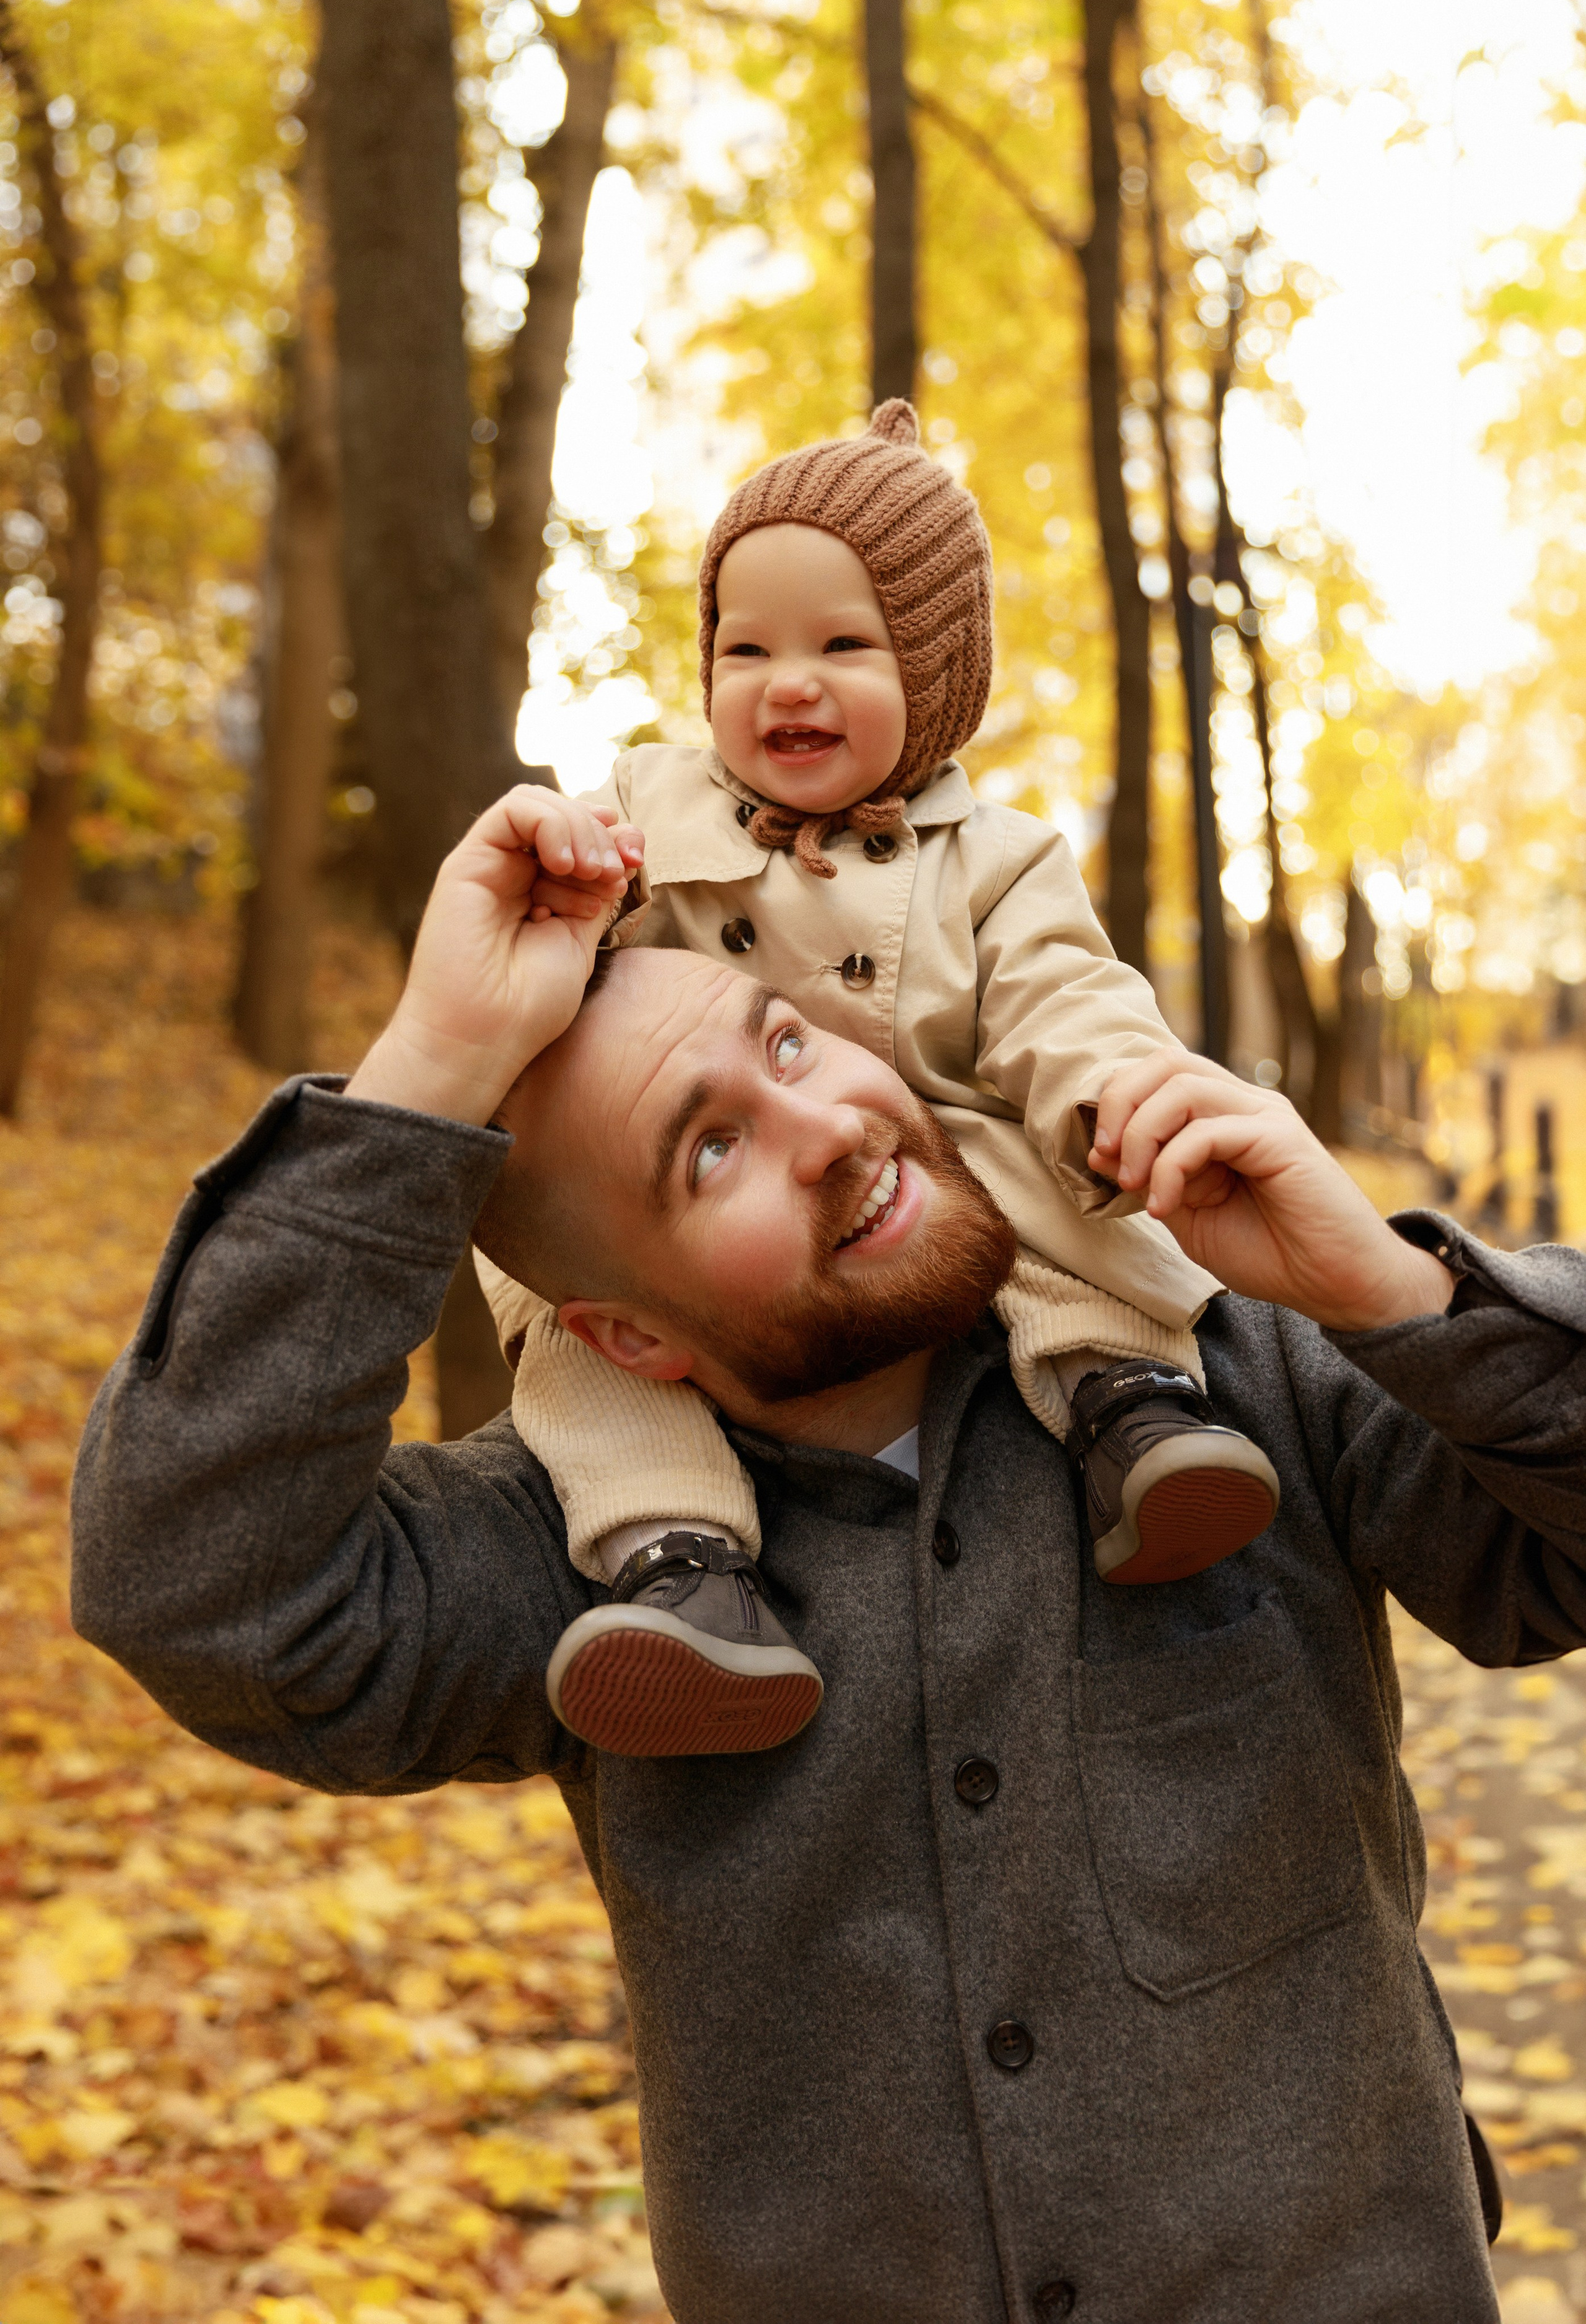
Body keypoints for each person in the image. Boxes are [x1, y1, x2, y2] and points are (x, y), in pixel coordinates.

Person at [73, 786, 1586, 2323]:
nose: (826, 1129)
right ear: (623, 1334)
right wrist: (429, 1067)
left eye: (783, 1042)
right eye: (709, 1149)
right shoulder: (587, 1556)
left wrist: (1389, 1290)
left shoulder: (1218, 1358)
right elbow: (198, 1581)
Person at [487, 398, 1279, 1758]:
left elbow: (1061, 996)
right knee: (576, 1317)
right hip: (702, 1227)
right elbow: (566, 980)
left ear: (936, 669)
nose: (787, 682)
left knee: (1062, 1203)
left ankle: (1129, 1407)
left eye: (842, 645)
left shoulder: (988, 858)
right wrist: (562, 869)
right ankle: (676, 1568)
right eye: (747, 648)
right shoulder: (648, 815)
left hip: (949, 1146)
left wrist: (1107, 1089)